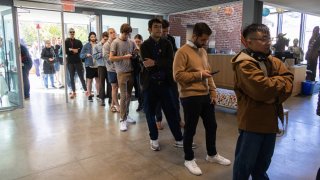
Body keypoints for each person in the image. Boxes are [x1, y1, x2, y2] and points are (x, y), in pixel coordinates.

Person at [231, 23, 293, 180]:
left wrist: (275, 96)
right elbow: (262, 90)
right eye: (263, 39)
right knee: (244, 165)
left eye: (269, 38)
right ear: (248, 41)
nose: (268, 42)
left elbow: (289, 79)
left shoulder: (271, 60)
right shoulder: (244, 63)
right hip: (252, 122)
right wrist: (277, 86)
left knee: (263, 164)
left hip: (271, 122)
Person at [173, 22, 231, 176]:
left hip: (205, 96)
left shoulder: (203, 52)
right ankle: (188, 159)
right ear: (195, 36)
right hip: (190, 96)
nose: (205, 43)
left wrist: (213, 92)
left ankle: (212, 155)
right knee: (190, 129)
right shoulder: (182, 52)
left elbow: (209, 73)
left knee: (212, 126)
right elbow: (177, 76)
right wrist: (199, 75)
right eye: (203, 40)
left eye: (207, 40)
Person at [140, 18, 183, 151]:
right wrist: (161, 63)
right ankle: (154, 139)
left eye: (160, 27)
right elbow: (148, 66)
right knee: (150, 113)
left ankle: (179, 139)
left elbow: (171, 63)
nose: (159, 29)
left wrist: (156, 62)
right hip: (150, 85)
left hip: (166, 84)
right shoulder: (144, 45)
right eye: (155, 27)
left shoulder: (167, 43)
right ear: (149, 29)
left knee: (171, 112)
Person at [109, 23, 137, 131]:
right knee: (124, 96)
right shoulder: (115, 42)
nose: (127, 36)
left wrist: (135, 53)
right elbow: (111, 58)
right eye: (125, 34)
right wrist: (124, 57)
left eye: (129, 34)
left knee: (129, 96)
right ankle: (122, 119)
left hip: (131, 71)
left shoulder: (131, 42)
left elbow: (135, 51)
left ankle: (126, 115)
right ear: (121, 32)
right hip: (121, 72)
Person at [65, 28, 87, 98]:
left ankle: (86, 90)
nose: (72, 33)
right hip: (70, 62)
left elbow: (81, 50)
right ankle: (74, 91)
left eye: (73, 32)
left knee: (81, 76)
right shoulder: (66, 41)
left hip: (78, 61)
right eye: (70, 32)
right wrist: (74, 50)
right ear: (69, 33)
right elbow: (66, 51)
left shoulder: (78, 41)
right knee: (71, 77)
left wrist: (71, 50)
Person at [103, 28, 120, 112]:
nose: (113, 34)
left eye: (114, 32)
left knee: (117, 88)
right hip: (111, 69)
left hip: (120, 69)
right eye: (111, 33)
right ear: (108, 34)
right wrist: (116, 58)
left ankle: (113, 105)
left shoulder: (118, 42)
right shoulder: (106, 45)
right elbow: (107, 57)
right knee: (114, 87)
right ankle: (117, 105)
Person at [80, 32, 99, 102]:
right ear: (89, 38)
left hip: (98, 65)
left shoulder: (98, 45)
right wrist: (86, 55)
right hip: (89, 65)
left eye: (94, 37)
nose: (93, 38)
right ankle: (90, 95)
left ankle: (98, 94)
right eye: (91, 37)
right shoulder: (86, 46)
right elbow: (81, 55)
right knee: (89, 81)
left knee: (98, 80)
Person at [133, 34, 144, 112]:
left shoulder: (144, 48)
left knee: (142, 89)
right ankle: (140, 104)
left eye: (139, 41)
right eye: (136, 41)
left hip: (143, 72)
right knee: (138, 89)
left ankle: (144, 105)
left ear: (141, 41)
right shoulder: (133, 49)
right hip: (136, 71)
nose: (137, 43)